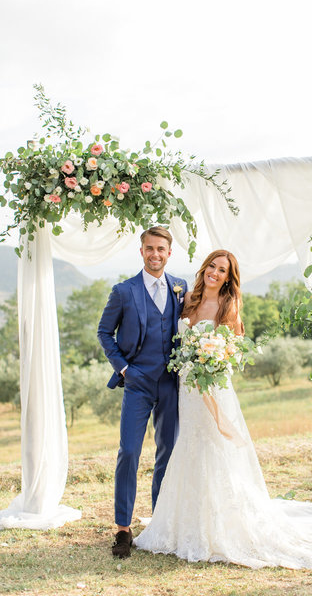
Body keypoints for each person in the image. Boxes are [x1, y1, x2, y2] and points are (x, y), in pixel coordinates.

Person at [134, 249, 312, 569]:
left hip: (213, 387)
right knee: (190, 448)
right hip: (186, 391)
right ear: (204, 269)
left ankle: (221, 525)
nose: (215, 273)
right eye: (212, 267)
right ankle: (185, 521)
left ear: (229, 278)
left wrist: (211, 363)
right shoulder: (186, 299)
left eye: (222, 270)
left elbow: (234, 354)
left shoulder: (229, 308)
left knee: (217, 450)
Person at [97, 226, 187, 558]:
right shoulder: (124, 291)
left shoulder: (181, 288)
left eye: (161, 249)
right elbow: (104, 332)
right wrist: (123, 369)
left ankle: (160, 522)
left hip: (170, 383)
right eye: (149, 248)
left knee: (168, 451)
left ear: (168, 252)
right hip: (137, 382)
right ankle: (123, 528)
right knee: (130, 452)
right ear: (141, 251)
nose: (155, 254)